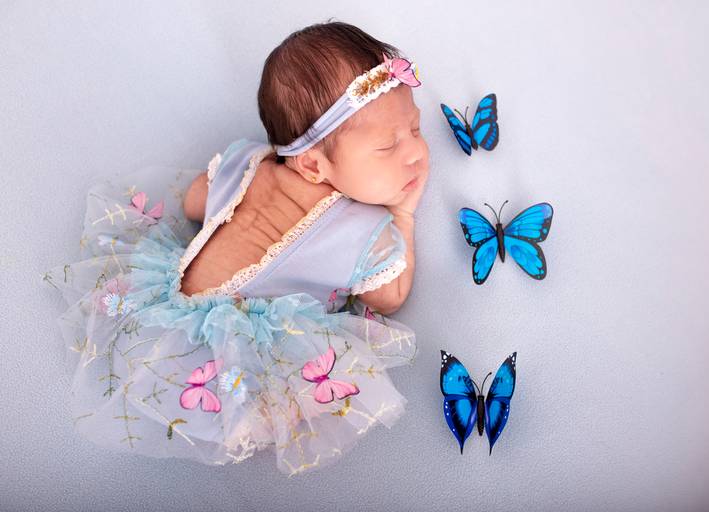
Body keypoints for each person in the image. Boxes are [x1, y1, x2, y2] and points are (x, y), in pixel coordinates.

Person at [42, 21, 429, 476]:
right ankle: (250, 416)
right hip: (228, 356)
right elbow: (389, 298)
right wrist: (403, 216)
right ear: (312, 165)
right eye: (388, 145)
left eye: (415, 127)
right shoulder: (362, 232)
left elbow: (194, 201)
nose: (416, 152)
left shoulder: (249, 162)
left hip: (152, 308)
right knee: (301, 386)